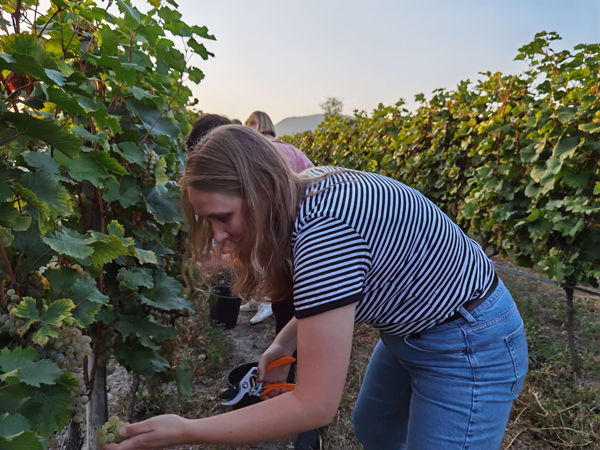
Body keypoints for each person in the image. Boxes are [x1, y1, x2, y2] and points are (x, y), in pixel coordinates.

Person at [105, 125, 528, 450]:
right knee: (374, 429)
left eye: (223, 217)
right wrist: (283, 344)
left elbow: (314, 405)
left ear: (263, 190)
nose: (216, 235)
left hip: (470, 342)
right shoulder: (305, 188)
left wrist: (187, 430)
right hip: (409, 332)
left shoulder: (326, 231)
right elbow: (325, 298)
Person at [240, 111, 314, 326]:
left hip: (278, 219)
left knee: (267, 262)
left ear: (254, 125)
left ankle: (266, 302)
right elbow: (313, 174)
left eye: (248, 126)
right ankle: (262, 301)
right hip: (302, 219)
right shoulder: (291, 149)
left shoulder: (260, 151)